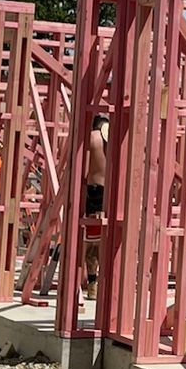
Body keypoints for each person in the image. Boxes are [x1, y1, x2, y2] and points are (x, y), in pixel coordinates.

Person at [83, 113, 109, 292]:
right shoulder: (113, 139)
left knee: (87, 241)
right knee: (104, 240)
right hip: (108, 191)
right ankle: (101, 282)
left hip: (90, 190)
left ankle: (91, 282)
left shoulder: (91, 138)